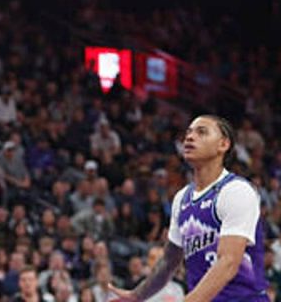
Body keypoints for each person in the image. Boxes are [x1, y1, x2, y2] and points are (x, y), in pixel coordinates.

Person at [108, 115, 268, 302]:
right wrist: (138, 295)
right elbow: (169, 262)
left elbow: (228, 262)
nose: (190, 137)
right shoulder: (181, 198)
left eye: (202, 132)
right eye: (188, 133)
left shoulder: (236, 190)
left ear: (223, 144)